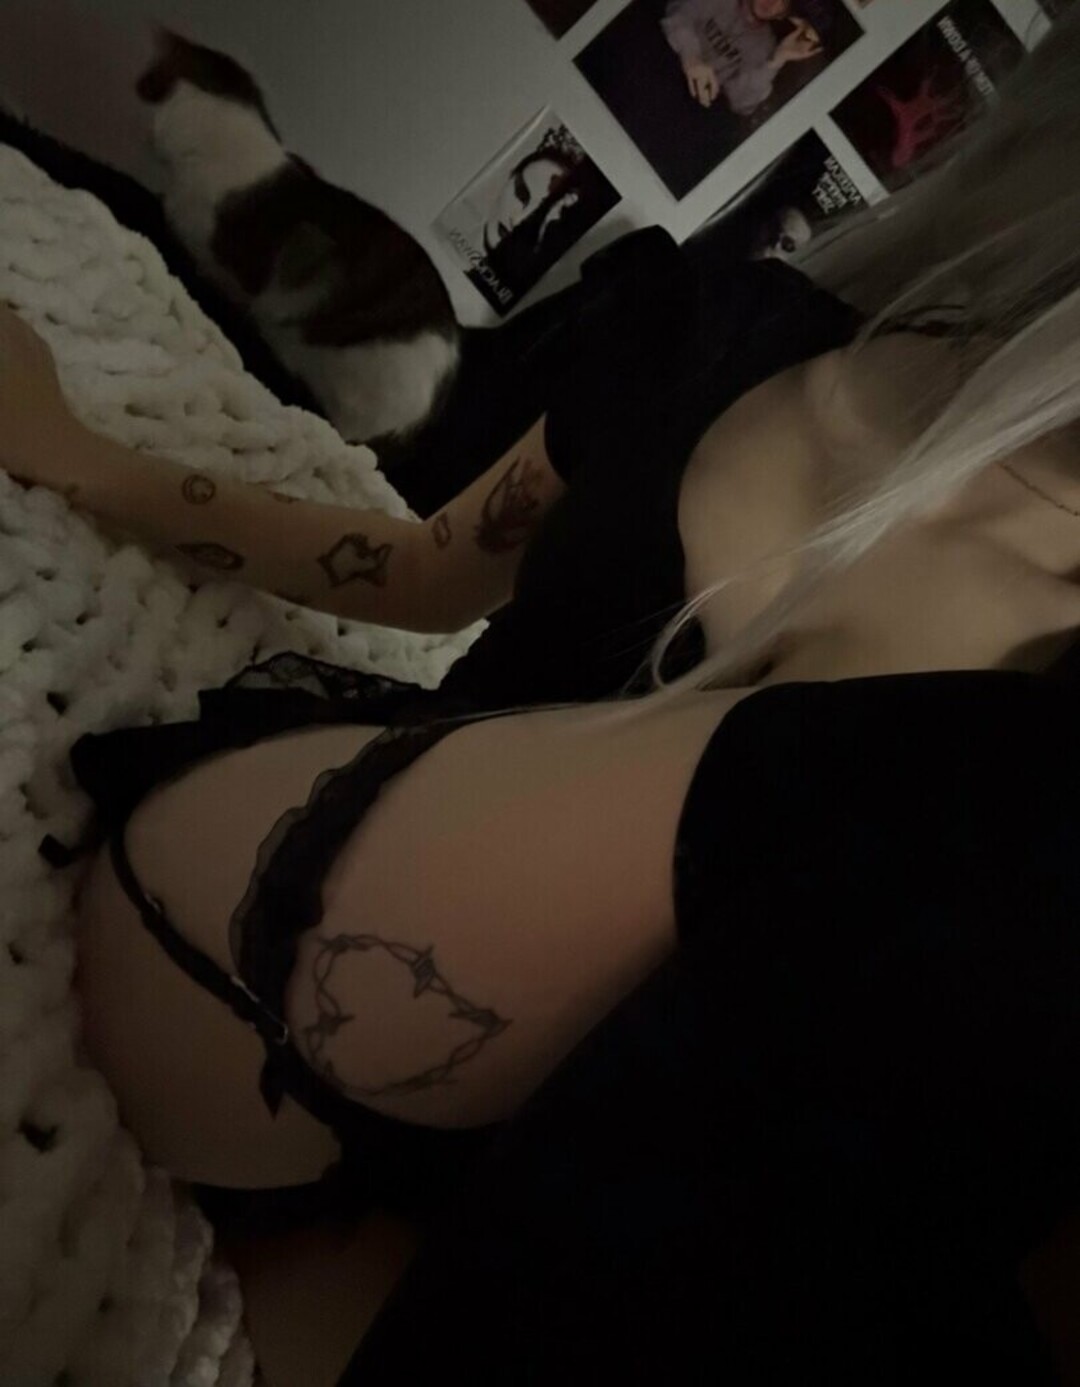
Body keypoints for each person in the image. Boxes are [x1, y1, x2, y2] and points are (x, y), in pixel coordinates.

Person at [4, 9, 1080, 1381]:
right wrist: (88, 459)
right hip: (273, 937)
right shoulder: (730, 335)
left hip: (505, 1185)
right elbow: (424, 571)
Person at [661, 0, 822, 114]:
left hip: (695, 105)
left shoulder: (765, 46)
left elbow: (740, 101)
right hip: (663, 61)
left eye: (783, 3)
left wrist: (777, 60)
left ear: (782, 15)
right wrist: (692, 59)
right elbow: (678, 16)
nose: (772, 2)